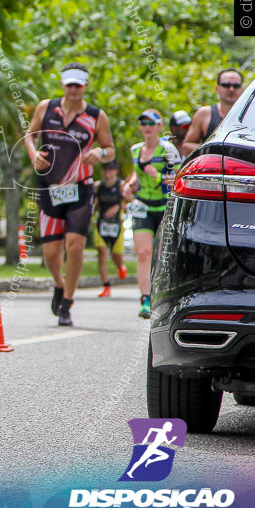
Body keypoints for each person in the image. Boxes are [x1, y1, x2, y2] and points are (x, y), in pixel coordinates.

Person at [25, 63, 115, 326]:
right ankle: (59, 284)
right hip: (50, 188)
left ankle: (67, 302)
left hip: (80, 188)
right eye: (69, 84)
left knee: (74, 246)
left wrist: (100, 153)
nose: (74, 89)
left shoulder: (96, 116)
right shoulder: (46, 107)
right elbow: (30, 135)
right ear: (62, 84)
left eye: (78, 84)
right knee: (51, 254)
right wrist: (33, 154)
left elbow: (110, 149)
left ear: (86, 85)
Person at [122, 109, 180, 319]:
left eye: (150, 123)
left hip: (164, 206)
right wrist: (129, 186)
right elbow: (135, 176)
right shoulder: (135, 150)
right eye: (143, 123)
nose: (146, 127)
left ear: (159, 126)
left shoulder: (168, 150)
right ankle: (145, 300)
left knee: (161, 254)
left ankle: (162, 297)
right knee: (144, 252)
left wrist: (158, 177)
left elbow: (177, 178)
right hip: (143, 206)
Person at [182, 69, 244, 156]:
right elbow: (186, 147)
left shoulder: (252, 116)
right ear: (217, 89)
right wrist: (211, 150)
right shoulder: (204, 114)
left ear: (242, 90)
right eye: (226, 85)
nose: (231, 89)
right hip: (211, 167)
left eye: (236, 86)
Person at [90, 160, 127, 298]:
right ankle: (106, 286)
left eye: (110, 169)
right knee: (102, 253)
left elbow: (129, 202)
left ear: (116, 171)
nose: (107, 172)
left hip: (117, 225)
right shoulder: (98, 186)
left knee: (116, 256)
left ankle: (120, 267)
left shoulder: (121, 186)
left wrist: (118, 207)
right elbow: (93, 203)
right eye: (105, 169)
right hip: (101, 224)